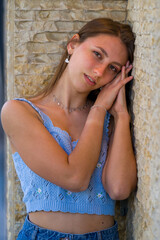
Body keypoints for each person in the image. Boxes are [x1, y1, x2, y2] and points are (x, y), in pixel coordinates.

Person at [1, 18, 137, 240]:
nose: (100, 71)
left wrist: (121, 116)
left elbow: (119, 189)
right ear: (73, 44)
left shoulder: (109, 120)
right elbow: (75, 178)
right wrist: (99, 107)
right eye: (97, 54)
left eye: (113, 68)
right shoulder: (20, 112)